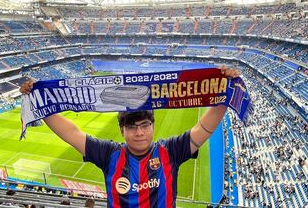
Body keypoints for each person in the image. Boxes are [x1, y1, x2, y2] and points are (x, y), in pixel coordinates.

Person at [20, 66, 240, 207]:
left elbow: (204, 129)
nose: (140, 132)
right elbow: (71, 133)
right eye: (132, 127)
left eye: (145, 125)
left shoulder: (170, 150)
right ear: (122, 130)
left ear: (153, 126)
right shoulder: (109, 154)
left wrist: (225, 89)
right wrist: (41, 102)